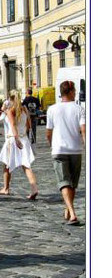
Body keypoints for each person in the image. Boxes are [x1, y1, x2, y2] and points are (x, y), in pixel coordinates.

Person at [46, 80, 86, 226]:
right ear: (69, 92)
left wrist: (51, 145)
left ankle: (69, 210)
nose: (75, 93)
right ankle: (72, 212)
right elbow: (83, 130)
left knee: (65, 183)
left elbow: (48, 132)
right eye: (74, 90)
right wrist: (85, 144)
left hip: (59, 150)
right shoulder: (79, 109)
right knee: (71, 183)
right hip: (75, 150)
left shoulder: (52, 109)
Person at [0, 91, 39, 200]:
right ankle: (34, 188)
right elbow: (29, 125)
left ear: (11, 99)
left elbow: (13, 125)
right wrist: (22, 134)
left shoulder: (11, 111)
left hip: (13, 139)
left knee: (6, 163)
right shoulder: (25, 110)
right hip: (24, 138)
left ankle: (6, 188)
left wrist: (16, 137)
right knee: (26, 165)